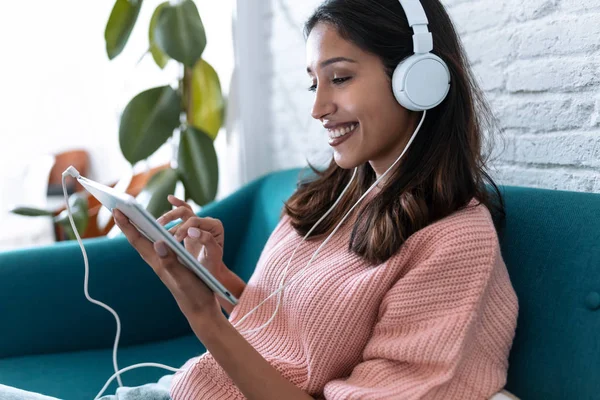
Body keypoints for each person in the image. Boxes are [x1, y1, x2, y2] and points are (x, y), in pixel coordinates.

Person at [1, 0, 518, 399]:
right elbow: (300, 337)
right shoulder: (338, 194)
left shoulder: (454, 242)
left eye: (340, 78)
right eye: (314, 82)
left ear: (419, 81)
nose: (318, 107)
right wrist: (218, 278)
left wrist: (204, 318)